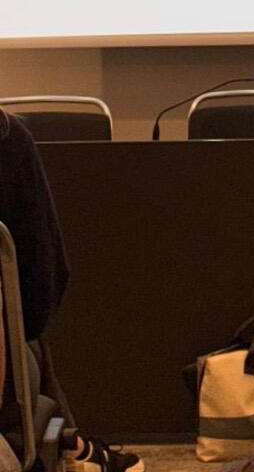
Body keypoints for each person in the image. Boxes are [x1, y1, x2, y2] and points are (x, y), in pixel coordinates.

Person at [0, 107, 144, 472]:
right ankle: (74, 446)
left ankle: (73, 445)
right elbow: (39, 296)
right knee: (21, 337)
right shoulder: (7, 139)